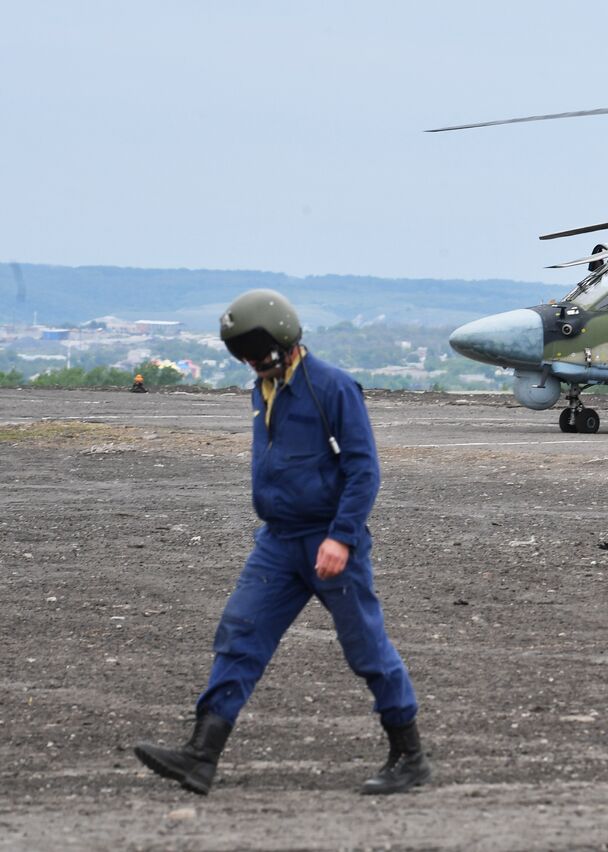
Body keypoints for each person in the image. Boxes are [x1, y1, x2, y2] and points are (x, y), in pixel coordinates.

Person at [134, 289, 428, 797]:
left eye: (255, 351)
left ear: (284, 338)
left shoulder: (333, 388)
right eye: (242, 354)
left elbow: (364, 470)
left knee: (366, 648)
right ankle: (200, 756)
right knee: (240, 633)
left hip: (331, 544)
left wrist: (341, 537)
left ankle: (410, 756)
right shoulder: (261, 388)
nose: (251, 362)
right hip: (277, 542)